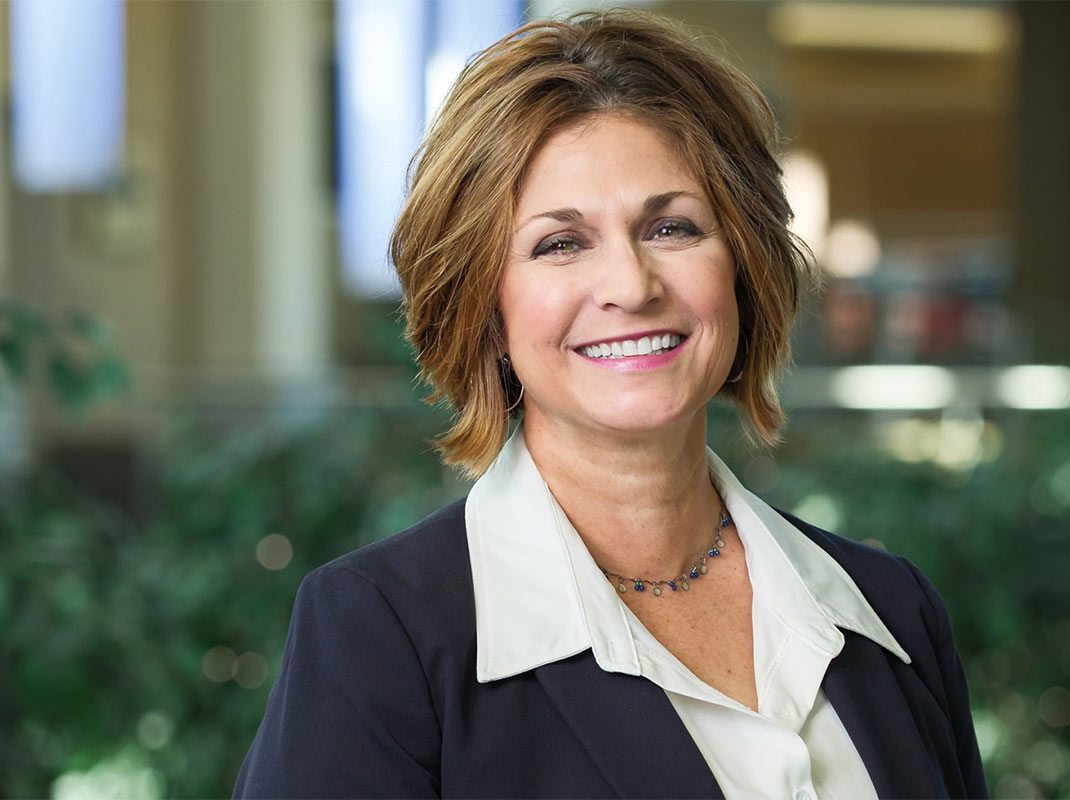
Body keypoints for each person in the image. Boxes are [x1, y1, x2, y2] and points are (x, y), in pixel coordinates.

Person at [235, 9, 985, 799]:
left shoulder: (891, 610)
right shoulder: (381, 635)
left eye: (672, 227)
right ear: (484, 311)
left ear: (742, 267)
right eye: (561, 243)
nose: (631, 285)